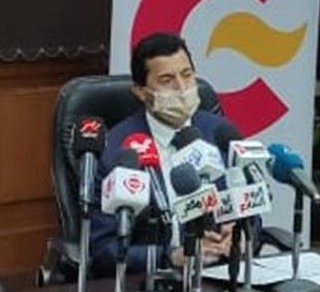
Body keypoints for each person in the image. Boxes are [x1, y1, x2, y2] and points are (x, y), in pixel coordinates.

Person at [90, 33, 235, 276]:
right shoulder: (117, 150)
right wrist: (169, 256)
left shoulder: (220, 132)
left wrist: (239, 233)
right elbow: (104, 249)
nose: (182, 88)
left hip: (219, 274)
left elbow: (250, 210)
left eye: (187, 74)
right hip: (154, 277)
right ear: (141, 92)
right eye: (167, 80)